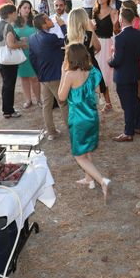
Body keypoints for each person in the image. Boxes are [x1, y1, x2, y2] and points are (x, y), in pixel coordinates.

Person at [58, 43, 111, 201]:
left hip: (78, 119)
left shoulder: (70, 75)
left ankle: (102, 181)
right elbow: (95, 91)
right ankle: (89, 180)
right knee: (87, 149)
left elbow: (61, 97)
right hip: (92, 116)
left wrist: (63, 72)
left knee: (79, 156)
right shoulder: (92, 71)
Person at [29, 13, 69, 140]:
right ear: (43, 24)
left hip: (43, 76)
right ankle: (72, 129)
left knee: (47, 105)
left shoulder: (32, 38)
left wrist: (39, 74)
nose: (51, 20)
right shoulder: (50, 38)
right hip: (55, 75)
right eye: (48, 19)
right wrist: (63, 26)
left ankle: (51, 132)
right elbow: (68, 40)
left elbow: (32, 58)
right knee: (63, 103)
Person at [109, 8, 140, 142]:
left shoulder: (119, 38)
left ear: (121, 19)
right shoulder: (139, 34)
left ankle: (128, 132)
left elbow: (117, 60)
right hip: (134, 72)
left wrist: (110, 61)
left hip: (123, 75)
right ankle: (137, 126)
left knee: (127, 104)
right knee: (135, 100)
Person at [66, 7, 112, 111]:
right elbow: (98, 47)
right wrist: (90, 54)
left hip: (74, 68)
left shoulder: (67, 37)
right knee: (96, 87)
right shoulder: (89, 34)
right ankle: (104, 104)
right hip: (90, 65)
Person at [0, 4, 27, 119]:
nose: (16, 15)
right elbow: (11, 44)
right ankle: (9, 110)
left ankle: (7, 110)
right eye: (15, 13)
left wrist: (18, 40)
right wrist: (22, 44)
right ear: (9, 14)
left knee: (6, 85)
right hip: (8, 61)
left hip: (0, 59)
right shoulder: (8, 26)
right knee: (9, 85)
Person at [93, 0, 120, 108]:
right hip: (95, 43)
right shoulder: (94, 11)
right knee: (95, 72)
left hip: (107, 44)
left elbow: (117, 31)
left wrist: (115, 23)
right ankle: (101, 100)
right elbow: (91, 30)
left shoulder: (114, 11)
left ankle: (108, 102)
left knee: (104, 74)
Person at [15, 0, 41, 109]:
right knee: (24, 78)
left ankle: (39, 99)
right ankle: (28, 100)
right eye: (24, 7)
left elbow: (40, 37)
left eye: (29, 8)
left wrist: (30, 40)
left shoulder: (34, 21)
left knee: (34, 78)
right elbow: (11, 37)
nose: (27, 10)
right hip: (20, 53)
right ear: (19, 9)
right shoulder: (15, 22)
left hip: (33, 53)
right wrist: (19, 40)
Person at [122, 0, 140, 79]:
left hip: (135, 55)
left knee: (136, 80)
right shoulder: (122, 20)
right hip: (124, 54)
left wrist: (134, 42)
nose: (121, 10)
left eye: (123, 8)